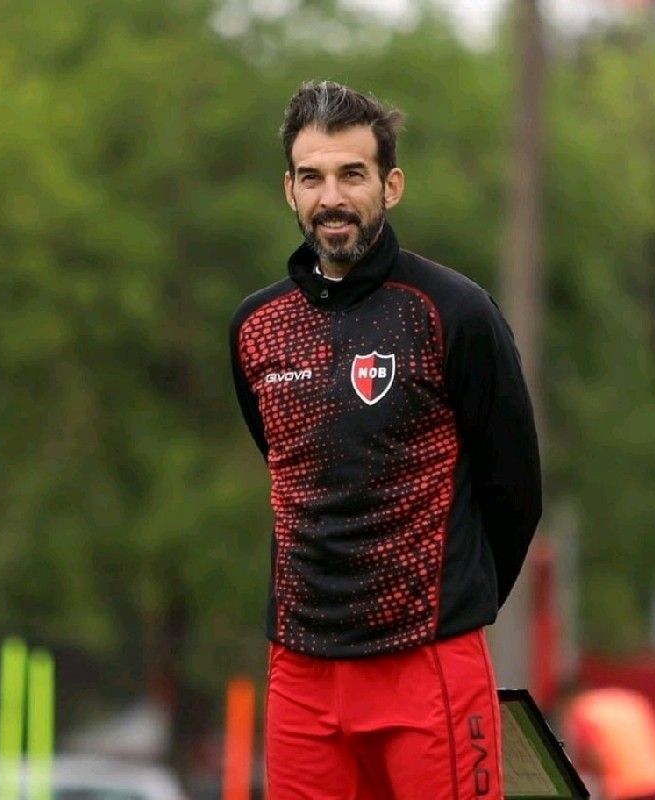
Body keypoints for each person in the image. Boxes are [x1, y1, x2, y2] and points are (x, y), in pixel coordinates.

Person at [230, 80, 542, 800]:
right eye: (312, 176)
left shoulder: (453, 312)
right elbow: (291, 467)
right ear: (289, 190)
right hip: (301, 668)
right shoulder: (254, 329)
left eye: (351, 174)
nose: (331, 196)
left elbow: (514, 489)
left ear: (390, 185)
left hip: (428, 660)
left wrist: (454, 600)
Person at [560, 686, 655, 800]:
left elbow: (594, 756)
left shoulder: (582, 709)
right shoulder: (632, 701)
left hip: (625, 788)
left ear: (566, 700)